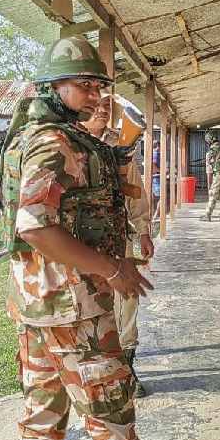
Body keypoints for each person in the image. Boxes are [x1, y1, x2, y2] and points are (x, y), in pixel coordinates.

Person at [0, 34, 189, 440]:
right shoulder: (54, 143)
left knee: (43, 405)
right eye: (84, 85)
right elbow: (34, 226)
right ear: (52, 86)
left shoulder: (28, 137)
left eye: (98, 86)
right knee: (110, 407)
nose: (96, 94)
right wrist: (112, 268)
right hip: (74, 307)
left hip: (36, 305)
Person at [82, 96, 155, 398]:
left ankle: (126, 370)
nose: (102, 110)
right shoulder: (67, 141)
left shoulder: (121, 142)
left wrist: (144, 231)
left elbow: (135, 192)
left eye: (106, 106)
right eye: (95, 105)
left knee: (126, 302)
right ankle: (92, 369)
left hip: (117, 239)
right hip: (80, 244)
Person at [200, 136, 220, 222]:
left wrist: (209, 183)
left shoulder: (211, 151)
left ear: (209, 142)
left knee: (213, 195)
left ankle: (208, 214)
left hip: (218, 175)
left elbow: (209, 169)